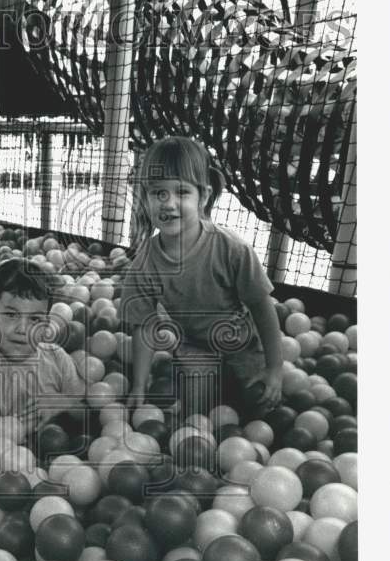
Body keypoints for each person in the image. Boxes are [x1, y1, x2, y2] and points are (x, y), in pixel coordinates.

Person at [117, 136, 283, 418]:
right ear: (144, 199)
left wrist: (275, 370)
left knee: (261, 403)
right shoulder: (145, 262)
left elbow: (262, 307)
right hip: (194, 346)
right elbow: (144, 327)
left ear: (203, 197)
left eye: (181, 192)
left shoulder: (231, 248)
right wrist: (139, 385)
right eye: (158, 193)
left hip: (240, 343)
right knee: (194, 412)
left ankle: (236, 386)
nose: (168, 203)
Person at [0, 258, 88, 440]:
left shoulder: (57, 358)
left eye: (34, 319)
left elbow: (85, 411)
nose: (22, 329)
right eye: (11, 314)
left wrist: (64, 404)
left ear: (46, 325)